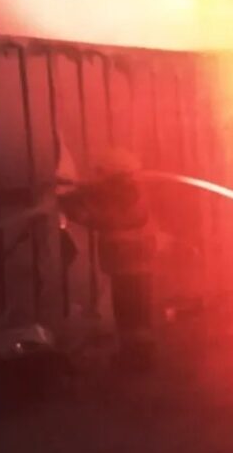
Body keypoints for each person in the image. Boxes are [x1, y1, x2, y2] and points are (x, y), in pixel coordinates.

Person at [58, 148, 159, 370]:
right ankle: (136, 354)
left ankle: (137, 359)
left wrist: (77, 213)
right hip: (129, 264)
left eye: (102, 174)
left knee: (132, 314)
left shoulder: (128, 195)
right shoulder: (125, 191)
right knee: (131, 313)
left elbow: (106, 218)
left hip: (131, 264)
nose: (98, 178)